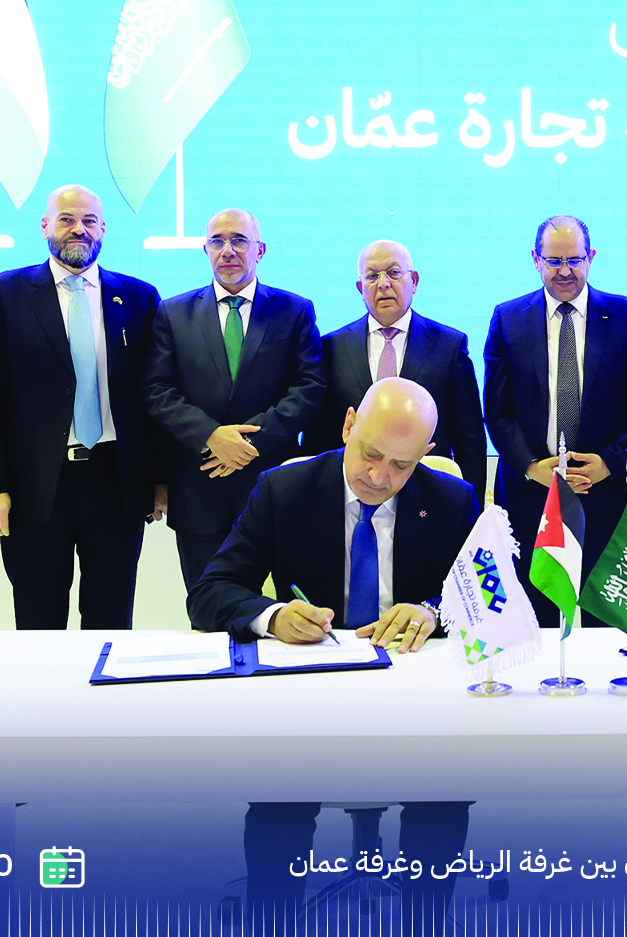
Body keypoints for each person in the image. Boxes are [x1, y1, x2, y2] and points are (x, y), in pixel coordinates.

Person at [190, 378, 480, 934]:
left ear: (425, 454)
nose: (379, 477)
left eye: (402, 465)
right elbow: (209, 593)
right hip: (310, 697)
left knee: (444, 792)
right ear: (348, 426)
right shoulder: (285, 489)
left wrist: (432, 611)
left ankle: (425, 922)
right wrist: (273, 615)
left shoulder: (451, 501)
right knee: (278, 799)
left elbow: (497, 601)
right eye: (371, 454)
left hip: (414, 696)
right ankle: (272, 923)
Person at [0, 185, 165, 630]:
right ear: (45, 226)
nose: (79, 229)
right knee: (39, 624)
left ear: (103, 228)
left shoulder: (139, 297)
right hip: (34, 487)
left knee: (111, 620)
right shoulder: (3, 294)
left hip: (116, 484)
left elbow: (153, 397)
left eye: (89, 221)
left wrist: (159, 479)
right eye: (67, 219)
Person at [146, 208, 325, 618]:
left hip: (274, 488)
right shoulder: (173, 313)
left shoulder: (294, 310)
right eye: (218, 241)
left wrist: (245, 443)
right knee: (209, 610)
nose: (228, 250)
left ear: (260, 250)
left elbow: (309, 387)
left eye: (239, 240)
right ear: (205, 250)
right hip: (199, 490)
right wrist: (212, 437)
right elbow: (156, 391)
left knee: (288, 613)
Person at [482, 215, 627, 623]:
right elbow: (497, 410)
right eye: (554, 260)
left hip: (605, 495)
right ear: (536, 259)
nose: (565, 271)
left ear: (591, 257)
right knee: (536, 623)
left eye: (575, 260)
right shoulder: (508, 318)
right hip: (531, 497)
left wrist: (609, 462)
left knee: (606, 624)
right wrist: (532, 468)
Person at [301, 240, 486, 495]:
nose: (383, 284)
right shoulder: (332, 347)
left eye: (394, 272)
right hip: (352, 491)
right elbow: (318, 438)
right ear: (360, 288)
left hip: (426, 493)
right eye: (372, 276)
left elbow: (470, 439)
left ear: (414, 281)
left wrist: (471, 507)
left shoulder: (449, 345)